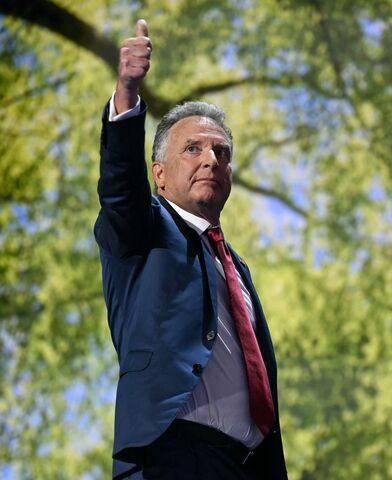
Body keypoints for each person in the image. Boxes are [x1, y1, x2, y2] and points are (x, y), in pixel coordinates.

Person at [95, 18, 288, 480]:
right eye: (194, 149)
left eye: (221, 153)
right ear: (158, 174)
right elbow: (121, 187)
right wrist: (126, 94)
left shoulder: (236, 267)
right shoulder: (143, 229)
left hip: (245, 466)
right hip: (170, 457)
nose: (211, 159)